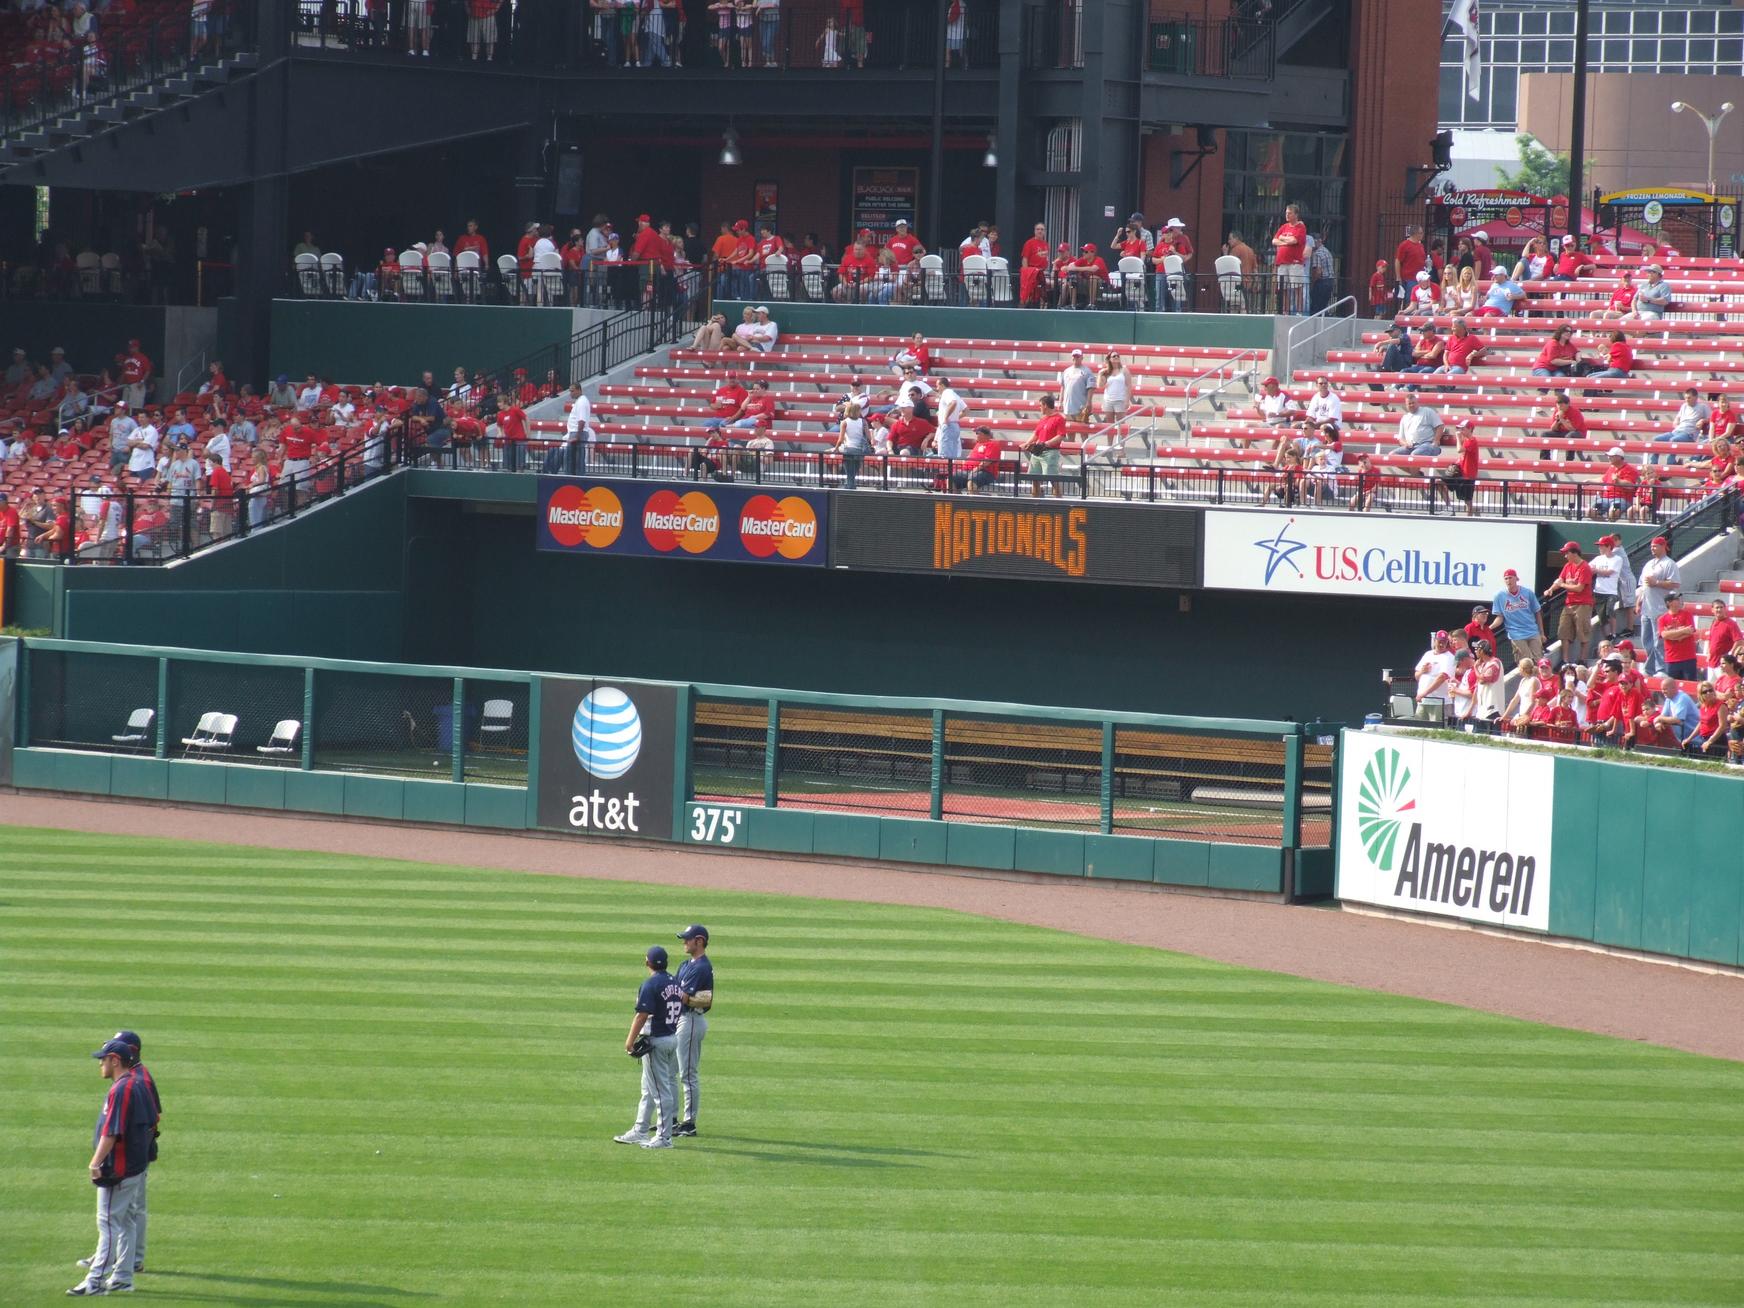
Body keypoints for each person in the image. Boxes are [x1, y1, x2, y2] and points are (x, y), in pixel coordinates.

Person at [69, 1037, 159, 1296]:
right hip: (134, 1168)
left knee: (107, 1224)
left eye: (103, 1059)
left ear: (115, 1060)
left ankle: (95, 1282)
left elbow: (111, 1133)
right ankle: (122, 1278)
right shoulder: (139, 1083)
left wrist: (95, 1163)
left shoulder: (121, 1090)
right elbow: (152, 1123)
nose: (100, 1063)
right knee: (127, 1221)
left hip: (117, 1170)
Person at [615, 945, 684, 1149]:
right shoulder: (675, 982)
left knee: (660, 1091)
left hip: (657, 1042)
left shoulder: (651, 984)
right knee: (648, 1088)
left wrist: (629, 1041)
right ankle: (640, 1129)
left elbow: (641, 1015)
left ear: (648, 963)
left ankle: (664, 1138)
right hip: (672, 1037)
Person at [672, 925, 714, 1138]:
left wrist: (681, 996)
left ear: (699, 941)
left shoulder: (702, 967)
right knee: (672, 1071)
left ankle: (689, 1122)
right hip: (681, 1019)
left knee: (688, 1073)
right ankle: (671, 1119)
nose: (684, 942)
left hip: (691, 1021)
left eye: (687, 939)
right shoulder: (686, 964)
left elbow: (684, 997)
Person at [1635, 535, 1681, 674]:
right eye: (1651, 547)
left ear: (1663, 546)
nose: (1652, 549)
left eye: (1655, 546)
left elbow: (1675, 584)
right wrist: (1638, 603)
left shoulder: (1669, 563)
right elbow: (1643, 586)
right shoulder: (1649, 564)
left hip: (1660, 607)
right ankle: (1650, 668)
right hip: (1647, 607)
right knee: (1646, 640)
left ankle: (1660, 669)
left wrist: (1657, 583)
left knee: (1658, 641)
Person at [1490, 568, 1545, 665]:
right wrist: (1489, 628)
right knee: (1526, 662)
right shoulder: (1499, 596)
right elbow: (1500, 617)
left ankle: (1538, 680)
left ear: (1516, 578)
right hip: (1516, 633)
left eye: (1510, 578)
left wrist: (1541, 633)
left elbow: (1537, 612)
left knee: (1539, 660)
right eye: (1506, 578)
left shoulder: (1527, 592)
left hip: (1532, 630)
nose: (1508, 581)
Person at [1025, 394, 1067, 497]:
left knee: (1052, 478)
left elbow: (1061, 436)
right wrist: (1026, 444)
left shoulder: (1059, 418)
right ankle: (1035, 502)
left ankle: (1058, 502)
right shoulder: (1043, 419)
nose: (1039, 408)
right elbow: (1036, 434)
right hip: (1037, 451)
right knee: (1034, 478)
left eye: (1040, 405)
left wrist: (1046, 443)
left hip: (1050, 451)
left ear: (1045, 405)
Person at [1271, 204, 1307, 313]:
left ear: (1296, 215)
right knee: (1284, 288)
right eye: (1286, 213)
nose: (1287, 215)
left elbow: (1294, 241)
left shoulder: (1300, 227)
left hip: (1294, 263)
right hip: (1282, 263)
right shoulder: (1283, 227)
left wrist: (1282, 238)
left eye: (1289, 213)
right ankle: (1285, 312)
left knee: (1297, 287)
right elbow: (1274, 241)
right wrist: (1285, 240)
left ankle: (1299, 312)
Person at [1413, 630, 1455, 719]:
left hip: (1439, 702)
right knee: (1419, 728)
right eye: (1440, 641)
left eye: (1444, 642)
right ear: (1435, 640)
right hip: (1423, 701)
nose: (1441, 644)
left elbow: (1442, 677)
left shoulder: (1450, 657)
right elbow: (1416, 676)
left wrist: (1423, 694)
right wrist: (1422, 671)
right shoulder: (1427, 654)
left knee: (1437, 730)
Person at [1658, 592, 1700, 682]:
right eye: (1676, 599)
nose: (1679, 601)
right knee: (1674, 687)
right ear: (1669, 603)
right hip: (1672, 659)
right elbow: (1664, 635)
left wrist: (1672, 634)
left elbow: (1690, 631)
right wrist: (1683, 630)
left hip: (1688, 657)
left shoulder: (1687, 614)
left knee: (1690, 685)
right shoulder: (1662, 619)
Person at [1704, 599, 1740, 683]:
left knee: (1724, 686)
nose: (1719, 609)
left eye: (1721, 607)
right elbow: (1711, 638)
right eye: (1717, 607)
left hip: (1722, 665)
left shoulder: (1731, 623)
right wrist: (1709, 652)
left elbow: (1739, 640)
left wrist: (1730, 656)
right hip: (1712, 663)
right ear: (1712, 610)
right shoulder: (1714, 622)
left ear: (1725, 609)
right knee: (1711, 690)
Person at [1058, 349, 1092, 423]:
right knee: (1070, 430)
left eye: (1078, 356)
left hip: (1081, 406)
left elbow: (1091, 388)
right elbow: (1063, 387)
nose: (1075, 358)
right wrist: (1060, 402)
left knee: (1083, 431)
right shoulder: (1066, 371)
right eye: (1074, 356)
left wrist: (1088, 402)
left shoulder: (1087, 371)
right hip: (1068, 406)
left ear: (1082, 358)